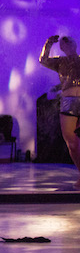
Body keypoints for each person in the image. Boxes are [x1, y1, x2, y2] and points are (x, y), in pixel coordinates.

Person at [39, 34, 80, 189]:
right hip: (68, 102)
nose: (67, 44)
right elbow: (43, 60)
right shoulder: (60, 61)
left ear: (75, 44)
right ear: (62, 48)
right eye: (64, 43)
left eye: (69, 41)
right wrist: (48, 43)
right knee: (72, 142)